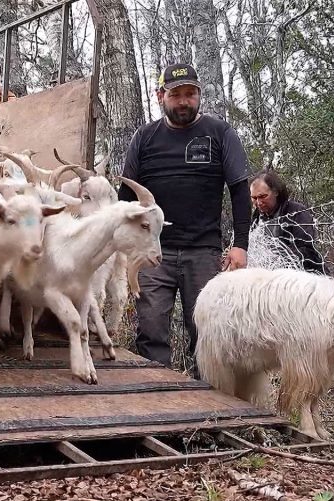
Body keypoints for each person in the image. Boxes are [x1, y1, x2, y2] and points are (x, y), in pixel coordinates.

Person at [118, 62, 253, 377]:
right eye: (175, 94)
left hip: (203, 252)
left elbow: (239, 191)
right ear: (160, 96)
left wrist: (240, 245)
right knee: (151, 328)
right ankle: (157, 397)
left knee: (206, 332)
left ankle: (208, 404)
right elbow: (125, 199)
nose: (183, 101)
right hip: (153, 253)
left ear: (199, 96)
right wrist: (122, 248)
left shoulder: (219, 133)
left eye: (190, 94)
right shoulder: (144, 137)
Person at [249, 169, 326, 274]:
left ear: (276, 192)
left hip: (303, 277)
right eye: (254, 198)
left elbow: (306, 249)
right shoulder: (255, 220)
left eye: (263, 196)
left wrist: (275, 260)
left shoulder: (296, 212)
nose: (258, 202)